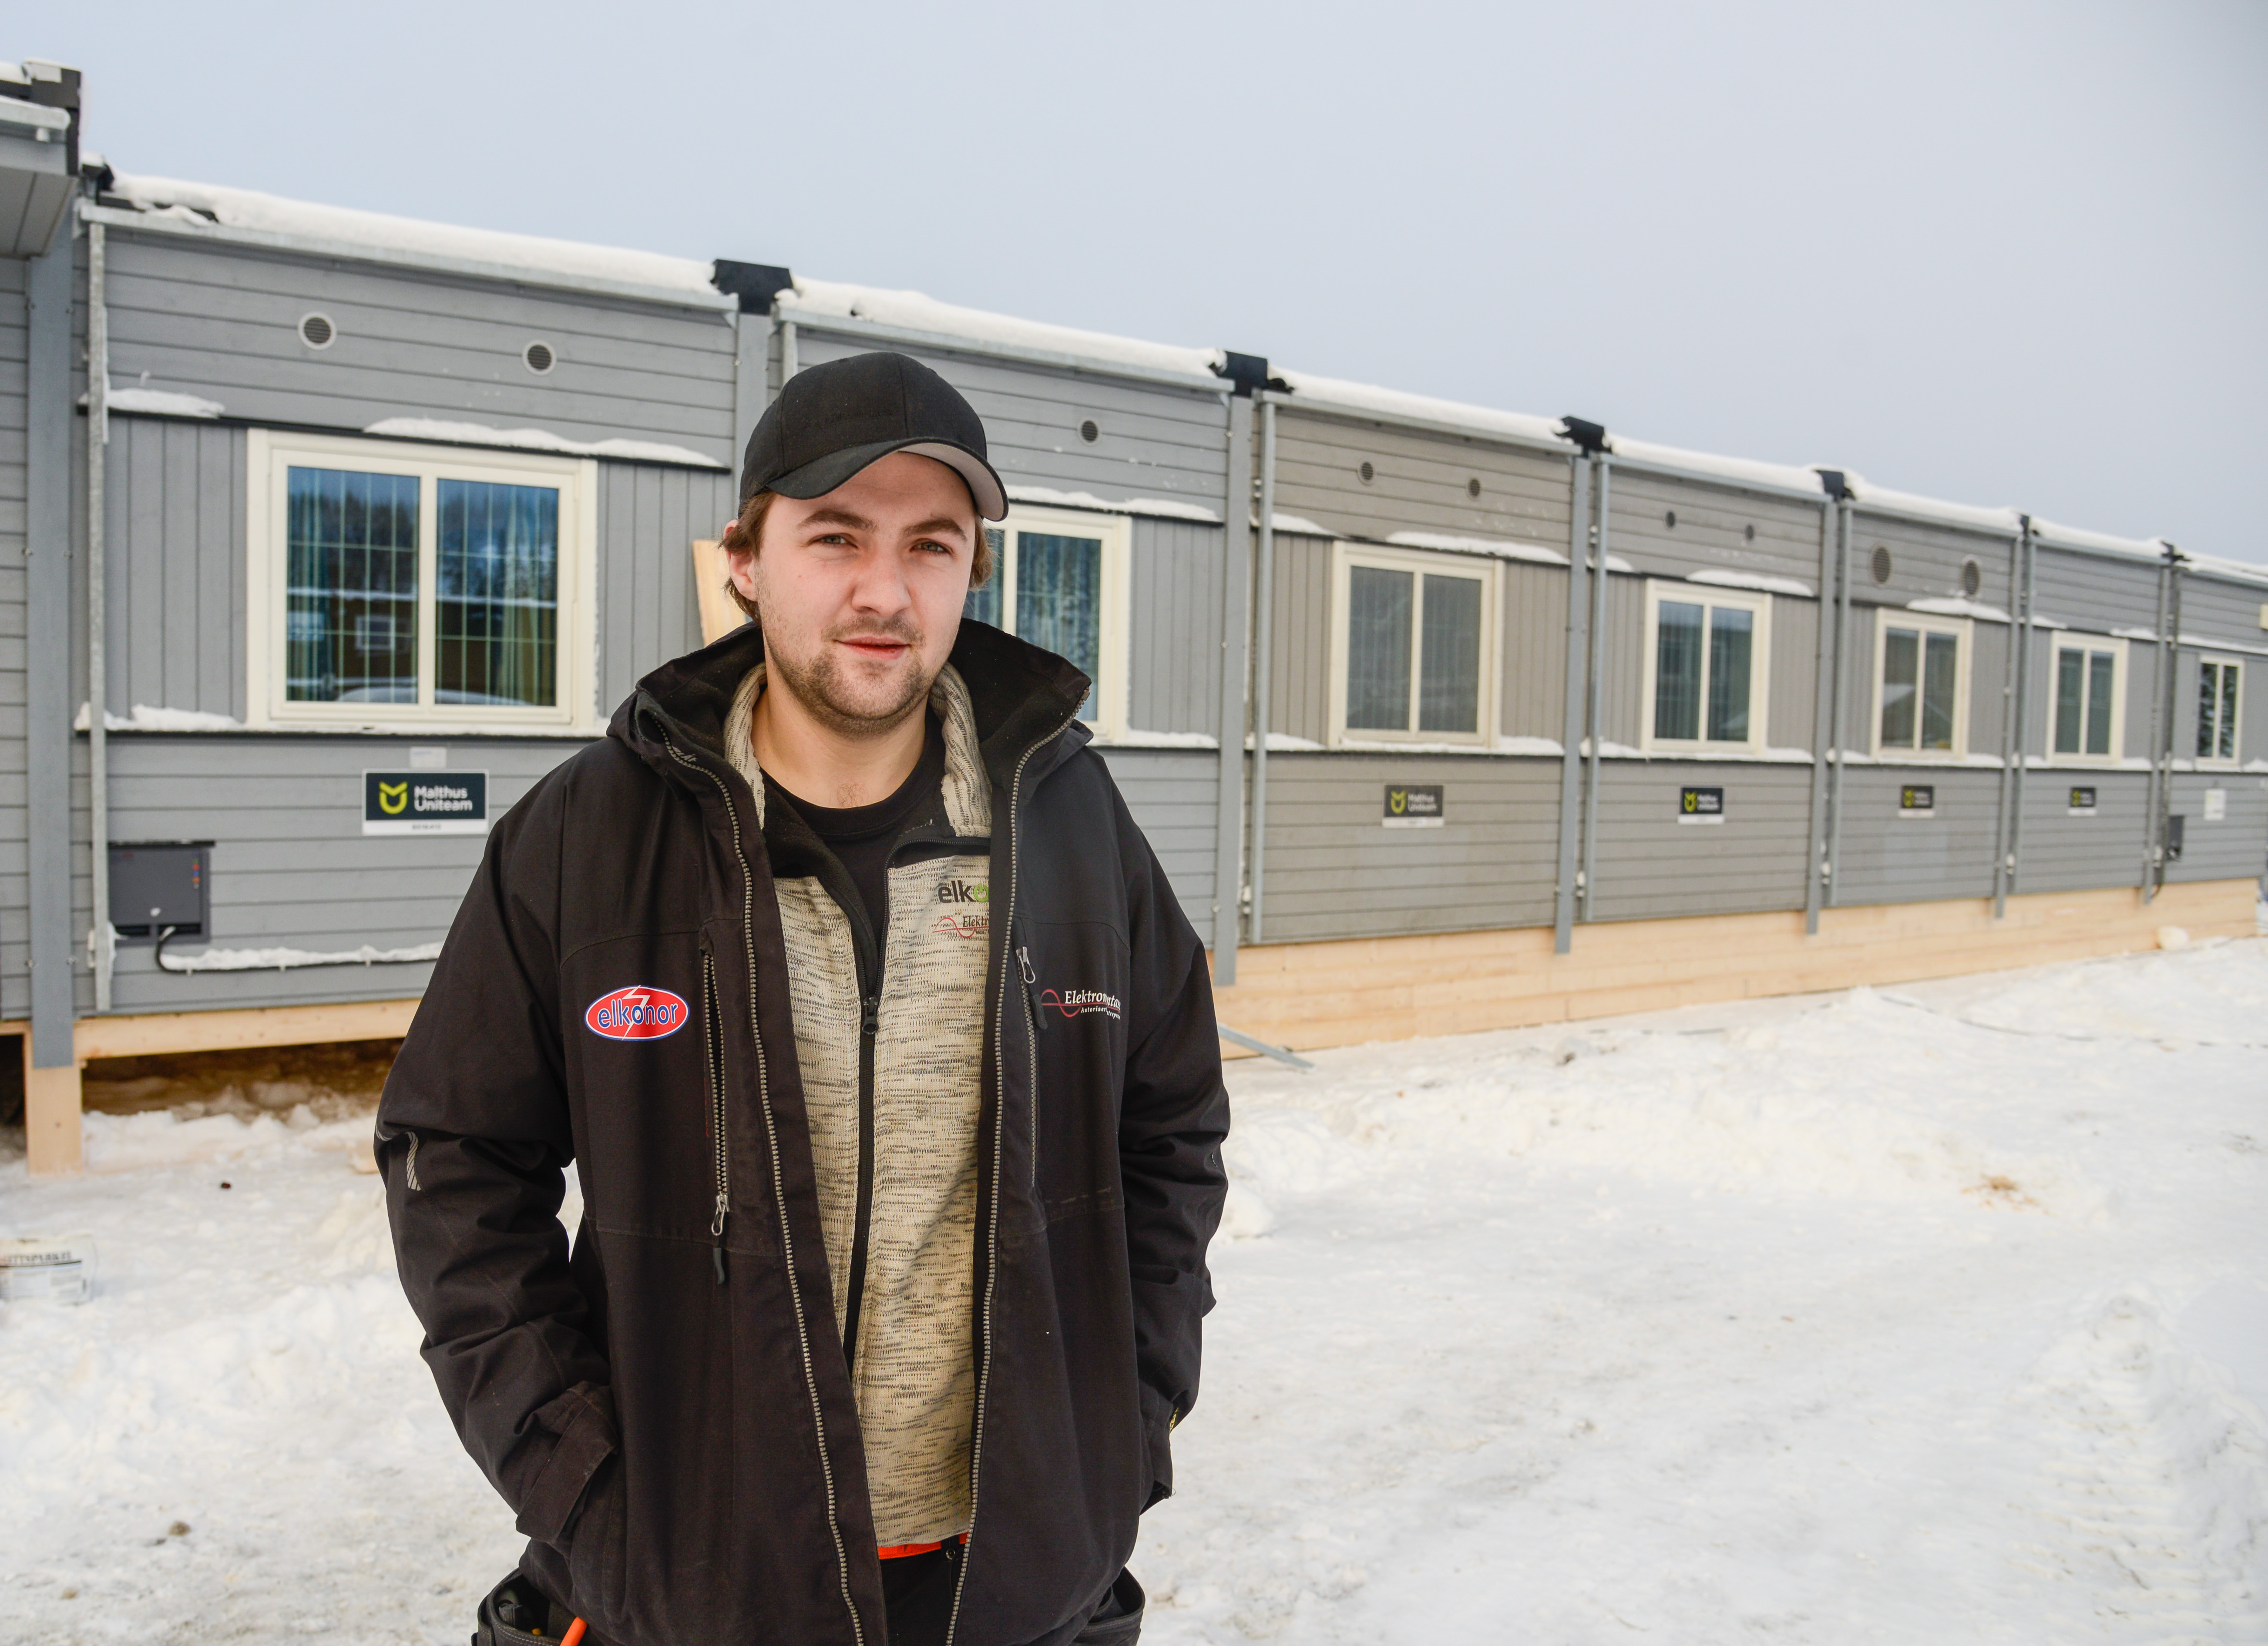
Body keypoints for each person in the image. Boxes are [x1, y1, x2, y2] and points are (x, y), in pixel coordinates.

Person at [378, 351, 1231, 1646]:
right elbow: (456, 1162)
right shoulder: (590, 836)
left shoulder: (1073, 830)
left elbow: (1171, 1135)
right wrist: (581, 1484)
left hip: (1009, 1581)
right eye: (834, 536)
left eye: (931, 546)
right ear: (744, 558)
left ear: (971, 574)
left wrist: (1124, 1428)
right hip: (696, 1580)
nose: (883, 591)